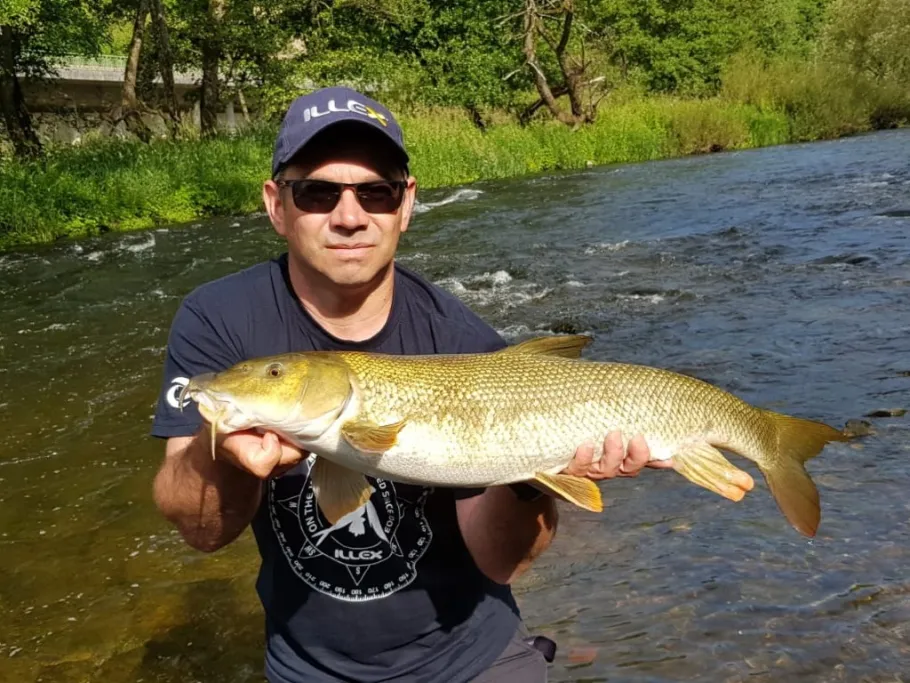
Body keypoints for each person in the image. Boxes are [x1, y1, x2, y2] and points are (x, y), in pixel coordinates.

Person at [151, 86, 669, 683]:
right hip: (307, 667)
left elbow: (502, 563)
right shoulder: (218, 320)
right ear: (276, 204)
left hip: (473, 655)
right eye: (318, 193)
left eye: (377, 192)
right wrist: (224, 455)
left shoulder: (465, 340)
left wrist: (535, 477)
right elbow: (201, 531)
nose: (350, 217)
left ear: (406, 204)